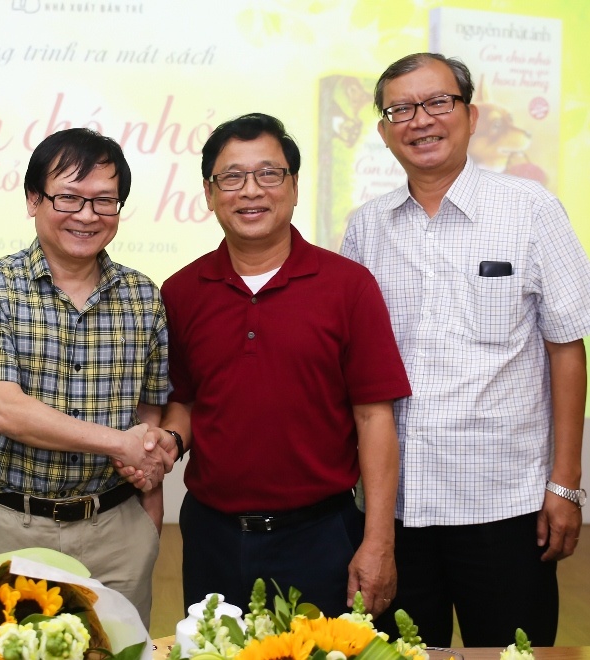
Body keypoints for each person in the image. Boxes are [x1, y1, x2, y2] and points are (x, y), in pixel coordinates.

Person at [341, 53, 590, 647]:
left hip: (507, 505)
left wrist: (565, 484)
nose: (421, 120)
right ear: (385, 131)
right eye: (400, 110)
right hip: (397, 509)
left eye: (437, 103)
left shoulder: (531, 209)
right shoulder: (366, 227)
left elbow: (566, 348)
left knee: (514, 654)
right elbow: (356, 372)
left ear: (470, 116)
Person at [146, 113, 411, 618]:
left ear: (293, 186)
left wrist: (379, 541)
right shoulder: (180, 291)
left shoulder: (348, 286)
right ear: (209, 194)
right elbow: (186, 401)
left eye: (268, 173)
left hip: (321, 537)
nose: (251, 191)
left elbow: (374, 417)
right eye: (232, 177)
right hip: (212, 536)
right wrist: (168, 443)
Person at [0, 127, 171, 627]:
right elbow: (4, 411)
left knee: (116, 653)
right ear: (33, 199)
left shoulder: (143, 295)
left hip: (117, 531)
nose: (87, 215)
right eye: (68, 197)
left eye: (104, 201)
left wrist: (148, 509)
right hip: (10, 530)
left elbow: (149, 409)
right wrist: (120, 444)